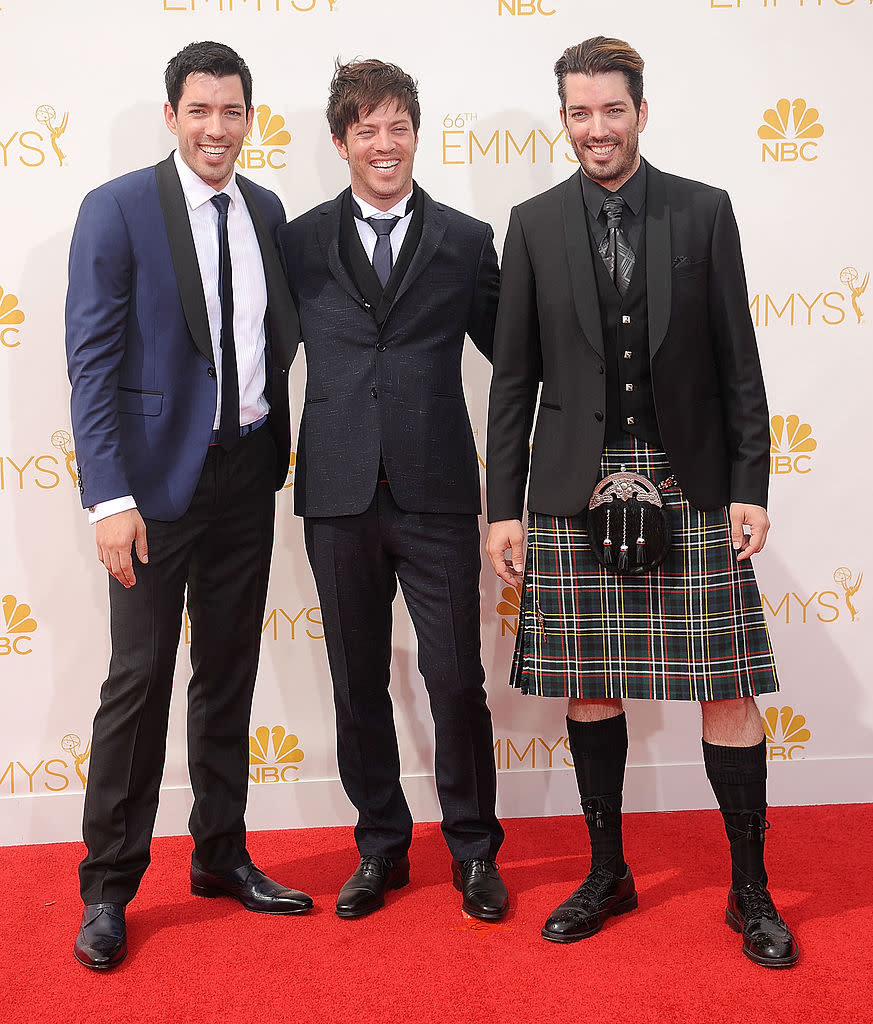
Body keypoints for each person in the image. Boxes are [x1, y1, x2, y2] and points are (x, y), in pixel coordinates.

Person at [485, 36, 798, 967]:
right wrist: (504, 505)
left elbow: (740, 361)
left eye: (610, 110)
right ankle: (607, 871)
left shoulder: (702, 213)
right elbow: (512, 382)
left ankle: (750, 891)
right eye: (578, 113)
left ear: (640, 112)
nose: (595, 129)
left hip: (690, 476)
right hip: (574, 481)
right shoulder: (533, 222)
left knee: (725, 685)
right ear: (564, 119)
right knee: (589, 682)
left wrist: (751, 484)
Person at [65, 41, 310, 971]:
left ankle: (220, 854)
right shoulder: (118, 208)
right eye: (200, 110)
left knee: (228, 674)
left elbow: (263, 340)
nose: (217, 128)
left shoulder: (267, 209)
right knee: (139, 682)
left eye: (233, 111)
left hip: (246, 474)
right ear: (172, 114)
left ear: (250, 118)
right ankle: (108, 886)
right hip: (152, 491)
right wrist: (109, 498)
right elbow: (90, 362)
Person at [276, 59, 507, 921]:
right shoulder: (296, 241)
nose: (384, 143)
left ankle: (475, 852)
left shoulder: (463, 237)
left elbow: (513, 362)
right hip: (335, 493)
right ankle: (380, 847)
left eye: (397, 126)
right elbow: (257, 360)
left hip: (438, 489)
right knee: (355, 681)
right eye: (365, 129)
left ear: (417, 132)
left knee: (454, 680)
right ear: (340, 142)